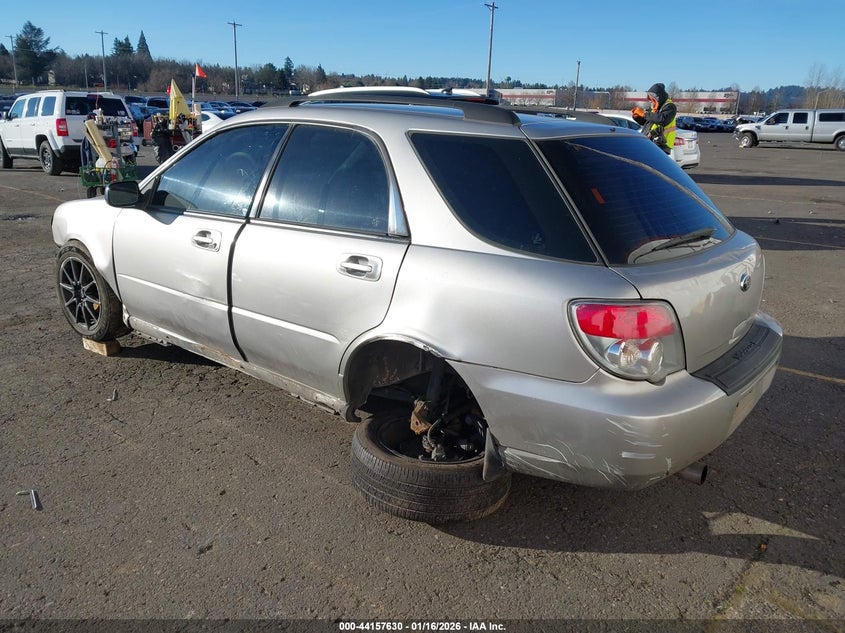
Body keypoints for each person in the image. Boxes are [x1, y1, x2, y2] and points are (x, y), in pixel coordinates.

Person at [632, 83, 677, 154]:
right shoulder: (656, 107)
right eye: (649, 99)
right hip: (652, 142)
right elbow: (647, 122)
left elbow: (662, 119)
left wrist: (644, 114)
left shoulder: (670, 107)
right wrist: (637, 117)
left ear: (658, 98)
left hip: (662, 144)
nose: (650, 101)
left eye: (652, 99)